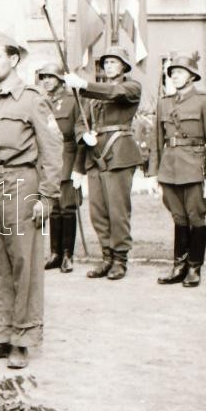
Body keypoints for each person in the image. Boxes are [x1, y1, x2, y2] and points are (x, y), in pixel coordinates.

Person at [0, 32, 62, 369]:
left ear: (14, 59)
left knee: (23, 261)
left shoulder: (32, 99)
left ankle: (22, 339)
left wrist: (47, 195)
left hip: (20, 182)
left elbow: (52, 148)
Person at [146, 55, 206, 288]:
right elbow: (156, 141)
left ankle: (194, 267)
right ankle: (179, 266)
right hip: (169, 169)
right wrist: (152, 173)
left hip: (194, 168)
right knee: (178, 217)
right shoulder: (164, 103)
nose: (175, 76)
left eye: (180, 72)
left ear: (192, 76)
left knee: (195, 217)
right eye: (172, 73)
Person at [65, 46, 142, 280]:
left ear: (124, 66)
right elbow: (81, 122)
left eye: (113, 62)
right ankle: (107, 256)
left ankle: (120, 259)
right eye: (106, 62)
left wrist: (83, 85)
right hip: (94, 156)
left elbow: (114, 93)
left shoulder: (131, 87)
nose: (108, 66)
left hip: (119, 154)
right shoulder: (91, 96)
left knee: (118, 211)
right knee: (97, 212)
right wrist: (83, 136)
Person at [39, 62, 81, 274]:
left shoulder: (73, 101)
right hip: (47, 159)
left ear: (60, 80)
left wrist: (79, 167)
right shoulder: (40, 102)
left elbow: (79, 134)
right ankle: (55, 253)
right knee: (53, 208)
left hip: (66, 157)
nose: (46, 81)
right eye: (43, 77)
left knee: (67, 207)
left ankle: (67, 255)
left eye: (50, 77)